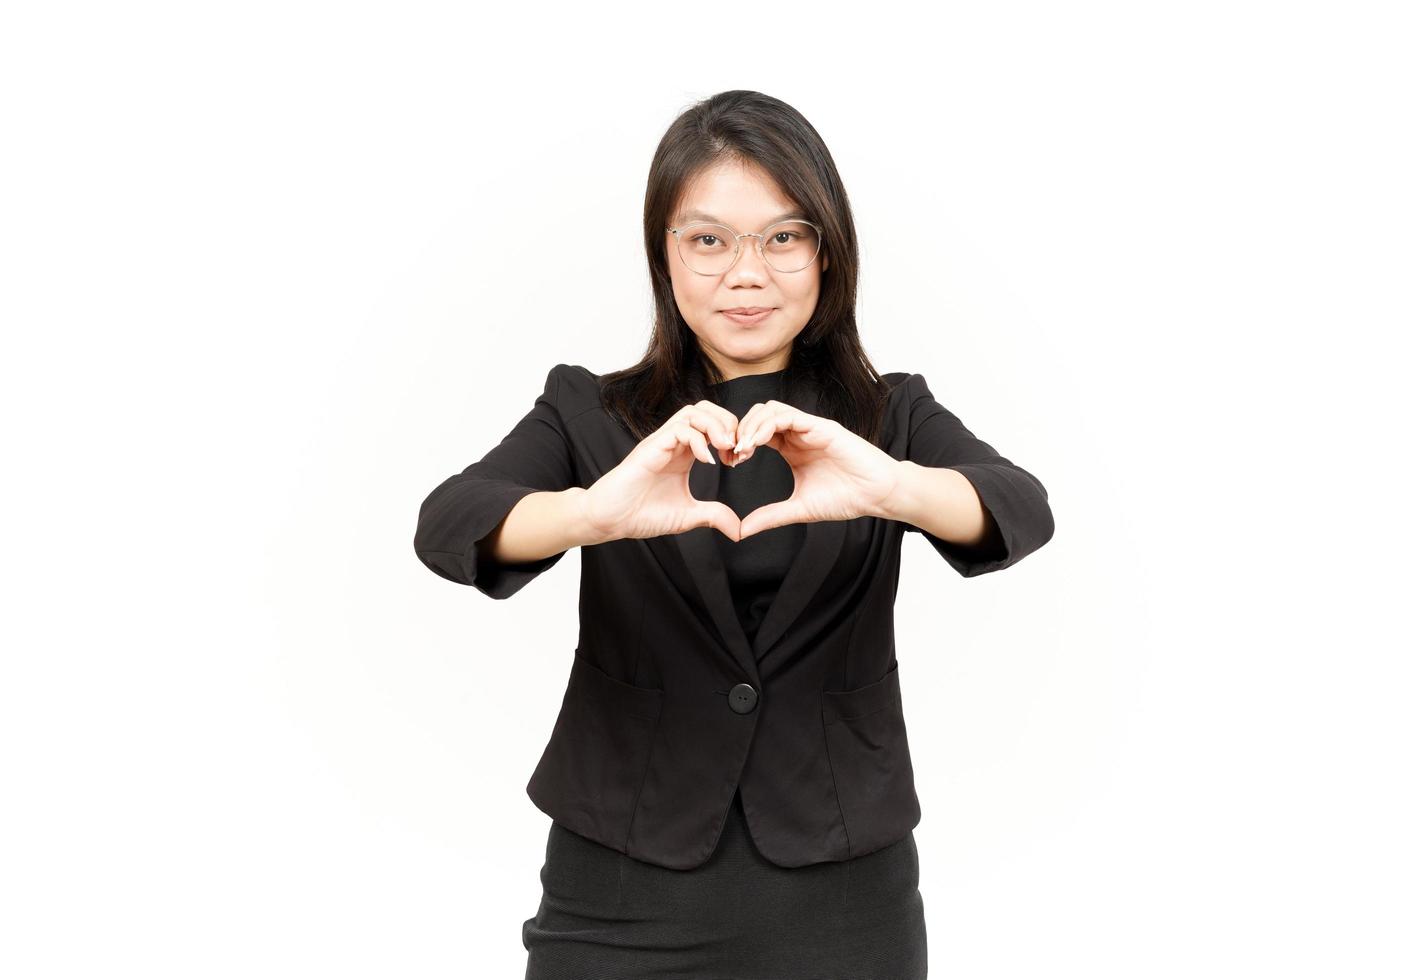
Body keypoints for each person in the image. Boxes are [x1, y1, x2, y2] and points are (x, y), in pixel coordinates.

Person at [413, 90, 1055, 979]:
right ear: (664, 255)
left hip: (844, 900)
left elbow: (1019, 508)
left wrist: (895, 487)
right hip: (619, 893)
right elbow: (450, 523)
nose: (746, 275)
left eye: (783, 238)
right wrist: (591, 514)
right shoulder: (591, 411)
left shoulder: (889, 414)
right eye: (708, 239)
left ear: (827, 253)